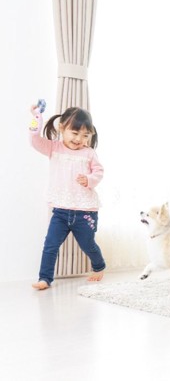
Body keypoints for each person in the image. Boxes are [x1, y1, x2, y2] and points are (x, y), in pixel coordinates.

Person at [28, 104, 106, 290]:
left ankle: (99, 266)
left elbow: (99, 172)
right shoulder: (54, 148)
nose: (79, 139)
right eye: (75, 133)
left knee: (88, 244)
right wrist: (36, 118)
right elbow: (34, 140)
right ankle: (44, 278)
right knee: (50, 245)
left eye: (85, 135)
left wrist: (88, 179)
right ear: (61, 128)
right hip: (61, 211)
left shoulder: (89, 153)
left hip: (85, 211)